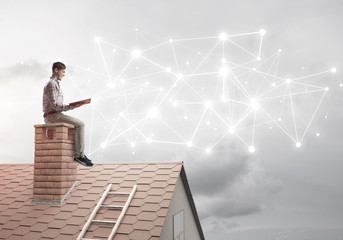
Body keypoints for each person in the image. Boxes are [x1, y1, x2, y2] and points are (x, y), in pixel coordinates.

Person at [43, 62, 93, 167]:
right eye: (63, 71)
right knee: (80, 124)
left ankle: (80, 154)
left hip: (55, 114)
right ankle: (79, 156)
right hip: (52, 116)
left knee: (78, 124)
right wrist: (72, 106)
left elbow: (57, 105)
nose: (64, 74)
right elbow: (55, 106)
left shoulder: (55, 84)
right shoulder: (51, 84)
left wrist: (74, 105)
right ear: (56, 70)